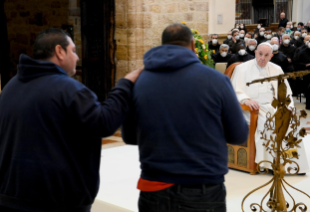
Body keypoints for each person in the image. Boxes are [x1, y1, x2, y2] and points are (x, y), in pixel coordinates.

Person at [0, 28, 143, 211]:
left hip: (10, 200)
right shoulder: (68, 90)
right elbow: (104, 123)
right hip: (55, 203)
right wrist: (125, 85)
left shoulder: (9, 88)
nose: (78, 57)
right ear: (59, 51)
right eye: (73, 50)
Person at [122, 23, 249, 212]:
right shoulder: (216, 80)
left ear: (163, 45)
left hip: (154, 188)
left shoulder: (140, 81)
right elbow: (239, 135)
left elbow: (129, 136)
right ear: (192, 45)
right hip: (202, 189)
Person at [231, 43, 309, 174]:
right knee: (269, 123)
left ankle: (292, 163)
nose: (262, 58)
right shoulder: (242, 69)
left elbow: (286, 92)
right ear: (255, 52)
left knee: (290, 121)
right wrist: (246, 100)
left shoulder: (276, 69)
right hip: (251, 108)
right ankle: (270, 164)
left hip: (273, 106)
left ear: (271, 56)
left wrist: (288, 106)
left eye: (266, 55)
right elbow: (234, 90)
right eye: (260, 54)